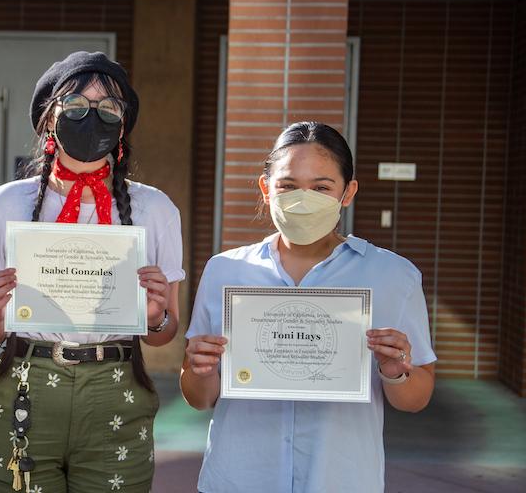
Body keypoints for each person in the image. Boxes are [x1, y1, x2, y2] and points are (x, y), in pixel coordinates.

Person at [180, 121, 436, 493]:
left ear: (348, 192)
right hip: (238, 476)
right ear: (266, 189)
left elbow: (417, 398)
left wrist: (396, 372)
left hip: (341, 479)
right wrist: (200, 369)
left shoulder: (393, 275)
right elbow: (199, 397)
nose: (302, 199)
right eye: (287, 186)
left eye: (321, 187)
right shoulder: (226, 271)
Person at [0, 51, 184, 493]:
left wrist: (157, 314)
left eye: (108, 109)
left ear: (123, 126)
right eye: (75, 106)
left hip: (116, 390)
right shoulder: (5, 203)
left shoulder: (155, 209)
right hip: (26, 386)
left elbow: (164, 334)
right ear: (50, 118)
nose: (92, 118)